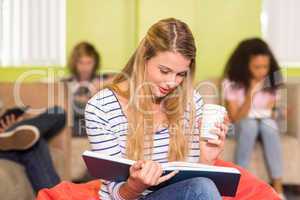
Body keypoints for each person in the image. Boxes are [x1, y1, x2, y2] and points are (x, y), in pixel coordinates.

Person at [85, 18, 229, 200]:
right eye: (164, 70)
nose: (172, 83)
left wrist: (207, 160)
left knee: (203, 185)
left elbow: (192, 187)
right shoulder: (101, 107)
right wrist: (134, 186)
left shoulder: (192, 101)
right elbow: (115, 193)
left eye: (181, 74)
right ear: (144, 58)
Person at [222, 38, 284, 198]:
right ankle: (240, 183)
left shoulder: (271, 82)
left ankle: (278, 188)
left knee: (268, 125)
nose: (262, 71)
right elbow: (235, 117)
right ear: (245, 66)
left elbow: (269, 112)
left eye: (265, 66)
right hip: (238, 127)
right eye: (257, 67)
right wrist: (251, 91)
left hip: (262, 126)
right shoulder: (231, 82)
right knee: (250, 125)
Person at [0, 104, 66, 193]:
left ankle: (19, 130)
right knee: (34, 144)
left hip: (10, 131)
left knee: (58, 111)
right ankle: (18, 133)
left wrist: (19, 122)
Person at [63, 42, 114, 136]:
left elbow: (127, 79)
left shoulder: (102, 79)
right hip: (75, 123)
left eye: (89, 62)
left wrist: (101, 86)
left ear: (95, 63)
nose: (85, 67)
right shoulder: (67, 82)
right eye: (81, 62)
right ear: (75, 63)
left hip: (96, 122)